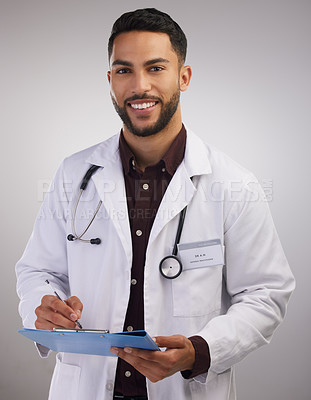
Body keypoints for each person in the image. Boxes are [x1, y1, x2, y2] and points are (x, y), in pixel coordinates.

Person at [16, 8, 295, 400]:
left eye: (156, 68)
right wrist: (42, 308)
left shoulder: (233, 184)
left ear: (184, 77)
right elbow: (37, 271)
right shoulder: (73, 174)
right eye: (124, 70)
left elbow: (266, 293)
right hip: (88, 387)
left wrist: (199, 351)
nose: (139, 85)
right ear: (110, 80)